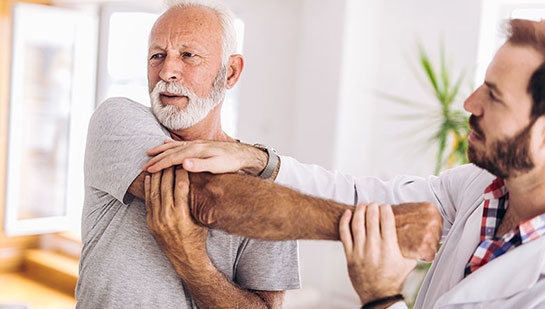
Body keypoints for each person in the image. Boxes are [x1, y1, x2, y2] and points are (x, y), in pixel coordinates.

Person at [141, 19, 545, 307]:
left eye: (494, 96)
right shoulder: (480, 187)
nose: (469, 103)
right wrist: (257, 159)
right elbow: (363, 196)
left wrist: (382, 297)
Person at [75, 1, 300, 307]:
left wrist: (195, 265)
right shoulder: (116, 120)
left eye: (188, 55)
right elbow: (204, 195)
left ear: (230, 72)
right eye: (157, 55)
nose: (167, 71)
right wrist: (277, 188)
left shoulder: (269, 186)